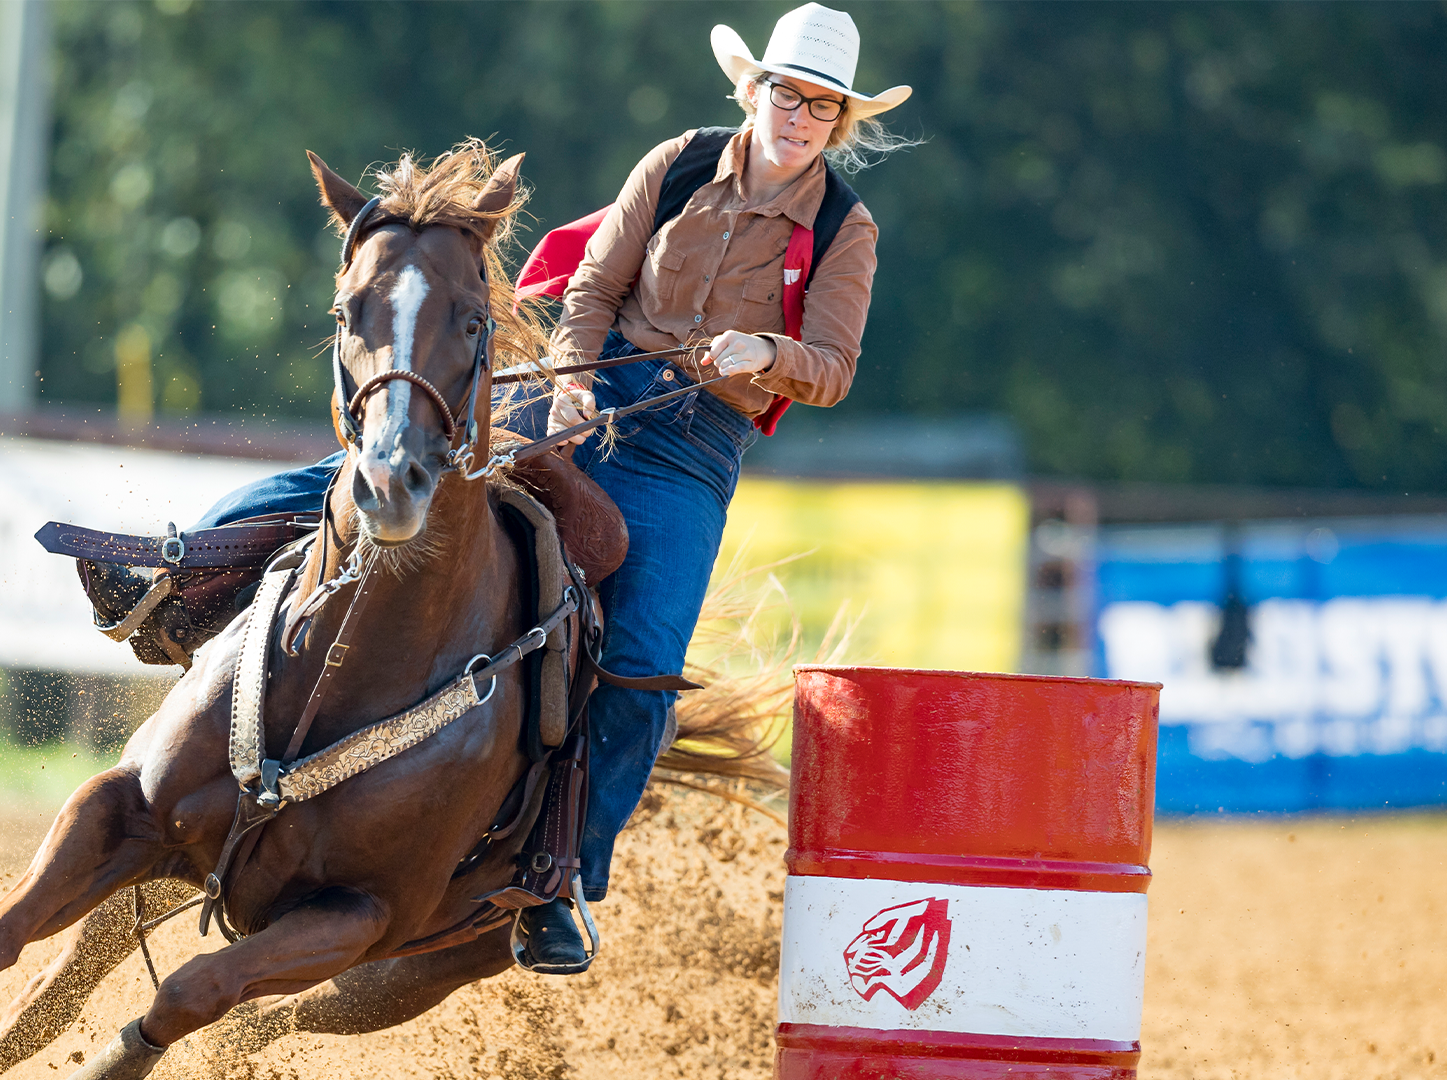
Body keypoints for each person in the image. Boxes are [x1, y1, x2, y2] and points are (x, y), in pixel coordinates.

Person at [108, 2, 912, 971]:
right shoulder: (680, 162)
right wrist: (570, 377)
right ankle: (177, 575)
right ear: (754, 91)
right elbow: (596, 284)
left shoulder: (845, 227)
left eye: (822, 107)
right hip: (589, 383)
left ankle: (561, 882)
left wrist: (768, 353)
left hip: (689, 448)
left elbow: (833, 367)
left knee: (643, 665)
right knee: (379, 463)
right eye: (787, 94)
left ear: (840, 122)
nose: (800, 117)